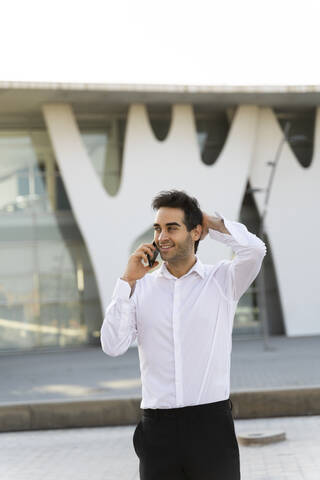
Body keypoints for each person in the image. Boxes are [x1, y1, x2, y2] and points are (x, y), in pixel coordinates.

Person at [100, 189, 267, 480]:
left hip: (210, 426)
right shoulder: (141, 289)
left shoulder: (223, 280)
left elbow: (255, 250)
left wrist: (210, 221)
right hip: (157, 430)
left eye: (172, 228)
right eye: (158, 228)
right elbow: (112, 345)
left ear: (196, 232)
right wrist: (127, 281)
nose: (161, 237)